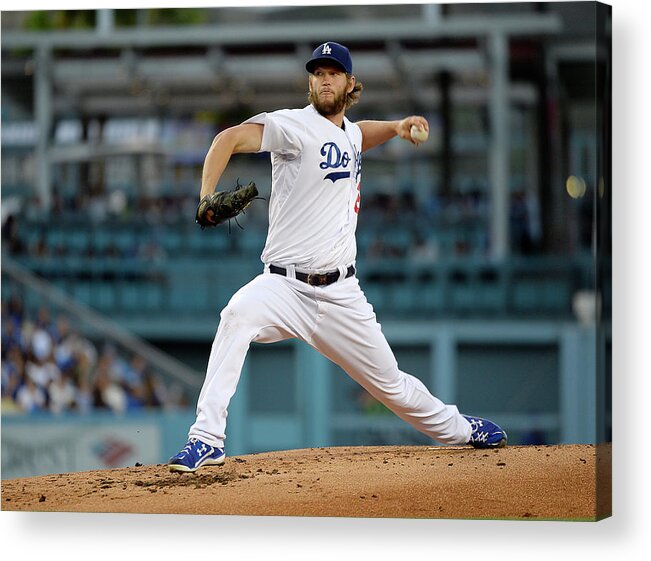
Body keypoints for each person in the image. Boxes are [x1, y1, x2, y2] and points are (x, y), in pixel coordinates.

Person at [169, 42, 506, 473]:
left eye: (333, 72)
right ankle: (206, 439)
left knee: (392, 386)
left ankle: (460, 429)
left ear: (349, 83)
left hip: (342, 294)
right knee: (236, 315)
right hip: (283, 286)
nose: (324, 78)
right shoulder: (292, 125)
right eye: (317, 72)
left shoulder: (349, 133)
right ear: (310, 82)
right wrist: (204, 195)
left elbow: (362, 133)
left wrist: (399, 126)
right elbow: (228, 138)